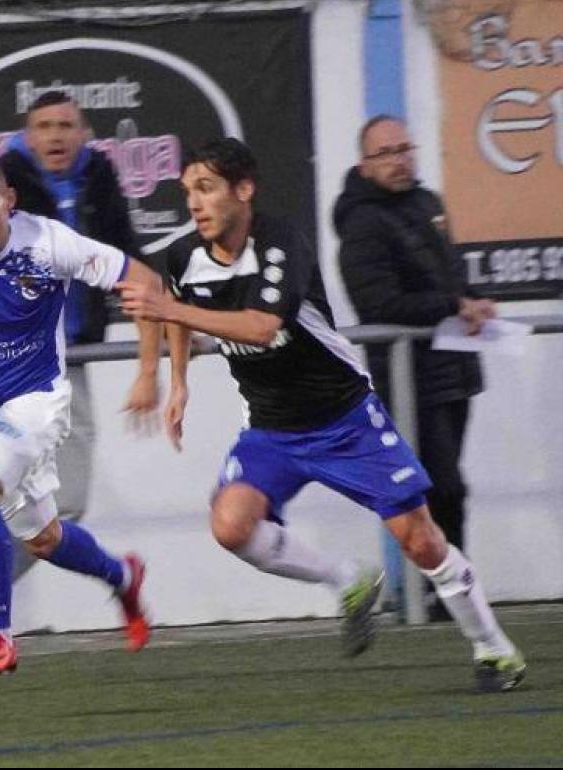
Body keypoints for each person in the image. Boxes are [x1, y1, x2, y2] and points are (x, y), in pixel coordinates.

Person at [117, 138, 526, 692]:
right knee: (230, 526)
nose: (194, 202)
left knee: (421, 542)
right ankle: (347, 581)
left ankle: (493, 649)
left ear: (244, 190)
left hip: (345, 419)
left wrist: (166, 308)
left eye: (207, 188)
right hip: (269, 427)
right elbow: (180, 317)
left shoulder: (283, 241)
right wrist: (178, 384)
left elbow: (263, 327)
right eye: (188, 190)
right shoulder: (184, 256)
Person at [0, 150, 187, 675]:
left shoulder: (48, 243)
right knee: (41, 539)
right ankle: (122, 577)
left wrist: (149, 373)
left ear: (9, 201)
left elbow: (147, 284)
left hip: (36, 401)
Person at [0, 92, 140, 651]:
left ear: (85, 132)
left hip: (66, 363)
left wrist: (164, 329)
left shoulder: (100, 178)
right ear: (25, 137)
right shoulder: (2, 186)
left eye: (65, 126)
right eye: (42, 126)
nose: (53, 136)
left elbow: (124, 256)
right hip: (6, 367)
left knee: (3, 492)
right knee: (22, 494)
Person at [333, 115, 495, 621]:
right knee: (436, 489)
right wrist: (451, 304)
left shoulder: (428, 205)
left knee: (450, 487)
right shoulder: (361, 224)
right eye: (387, 152)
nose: (400, 159)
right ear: (365, 164)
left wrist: (467, 302)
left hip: (453, 369)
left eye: (406, 148)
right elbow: (378, 303)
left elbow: (446, 278)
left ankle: (453, 591)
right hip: (410, 376)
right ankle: (441, 591)